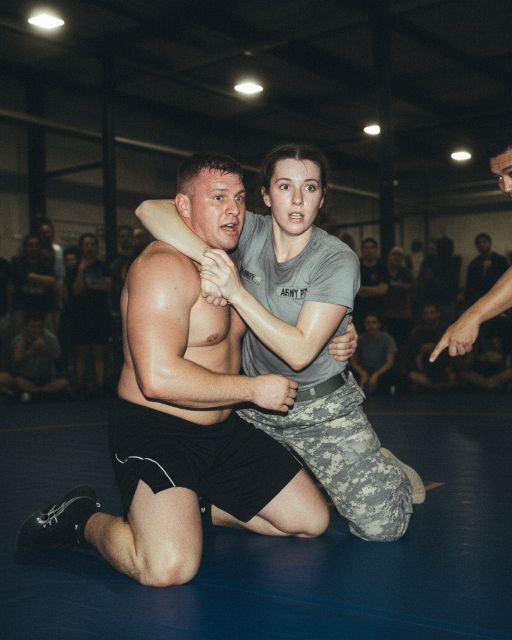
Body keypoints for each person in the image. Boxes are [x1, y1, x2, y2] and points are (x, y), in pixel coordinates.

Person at [16, 153, 330, 588]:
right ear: (183, 206)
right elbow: (157, 378)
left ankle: (195, 506)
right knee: (167, 569)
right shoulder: (162, 268)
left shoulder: (230, 264)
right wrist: (252, 390)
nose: (234, 210)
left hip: (222, 431)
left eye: (239, 198)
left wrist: (339, 334)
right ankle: (80, 519)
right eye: (218, 198)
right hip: (158, 430)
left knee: (311, 521)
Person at [137, 144, 426, 536]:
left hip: (321, 408)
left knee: (383, 528)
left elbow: (299, 352)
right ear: (266, 195)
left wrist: (234, 290)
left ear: (322, 198)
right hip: (254, 408)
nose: (297, 200)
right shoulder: (246, 232)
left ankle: (387, 470)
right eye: (285, 186)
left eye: (310, 188)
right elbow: (149, 210)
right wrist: (212, 261)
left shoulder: (336, 259)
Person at [430, 143, 512, 362]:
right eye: (499, 178)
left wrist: (472, 316)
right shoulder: (474, 264)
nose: (505, 187)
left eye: (511, 173)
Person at [70, 233, 112, 395]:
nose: (89, 247)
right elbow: (76, 290)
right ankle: (79, 387)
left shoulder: (103, 266)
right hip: (81, 315)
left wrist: (90, 285)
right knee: (80, 351)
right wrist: (81, 271)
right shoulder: (75, 267)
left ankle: (100, 386)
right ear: (81, 247)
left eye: (93, 244)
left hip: (99, 314)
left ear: (97, 247)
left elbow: (107, 287)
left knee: (98, 351)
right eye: (86, 244)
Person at [10, 313, 69, 402]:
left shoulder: (50, 338)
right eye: (33, 327)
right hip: (26, 379)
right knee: (16, 381)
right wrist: (31, 351)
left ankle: (36, 393)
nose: (36, 330)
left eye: (39, 326)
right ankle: (43, 394)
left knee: (64, 382)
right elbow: (15, 360)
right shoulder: (18, 339)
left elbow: (58, 357)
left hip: (46, 379)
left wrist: (46, 349)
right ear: (26, 327)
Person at [408, 303, 455, 392]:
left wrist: (434, 346)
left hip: (444, 368)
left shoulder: (446, 330)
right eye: (426, 313)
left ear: (438, 313)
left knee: (454, 376)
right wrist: (422, 371)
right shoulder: (417, 333)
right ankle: (435, 387)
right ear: (422, 315)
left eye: (432, 312)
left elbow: (452, 352)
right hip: (425, 370)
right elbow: (415, 356)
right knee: (412, 375)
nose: (429, 316)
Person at [350, 313, 400, 395]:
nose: (371, 326)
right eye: (368, 323)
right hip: (364, 370)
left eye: (374, 322)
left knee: (394, 372)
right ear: (364, 325)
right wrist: (362, 373)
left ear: (379, 324)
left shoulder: (387, 338)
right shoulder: (359, 339)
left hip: (382, 371)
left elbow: (390, 362)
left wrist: (375, 375)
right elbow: (353, 361)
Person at [352, 237, 389, 331]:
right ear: (362, 250)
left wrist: (363, 289)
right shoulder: (355, 267)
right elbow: (354, 290)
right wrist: (374, 289)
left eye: (372, 247)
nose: (369, 250)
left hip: (378, 309)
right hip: (359, 311)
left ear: (376, 250)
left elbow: (382, 290)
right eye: (366, 248)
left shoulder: (382, 267)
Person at [464, 233, 508, 307]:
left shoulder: (500, 260)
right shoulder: (474, 264)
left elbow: (506, 280)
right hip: (480, 300)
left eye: (484, 241)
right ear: (476, 246)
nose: (482, 244)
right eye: (479, 243)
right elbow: (470, 285)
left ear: (490, 243)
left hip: (499, 299)